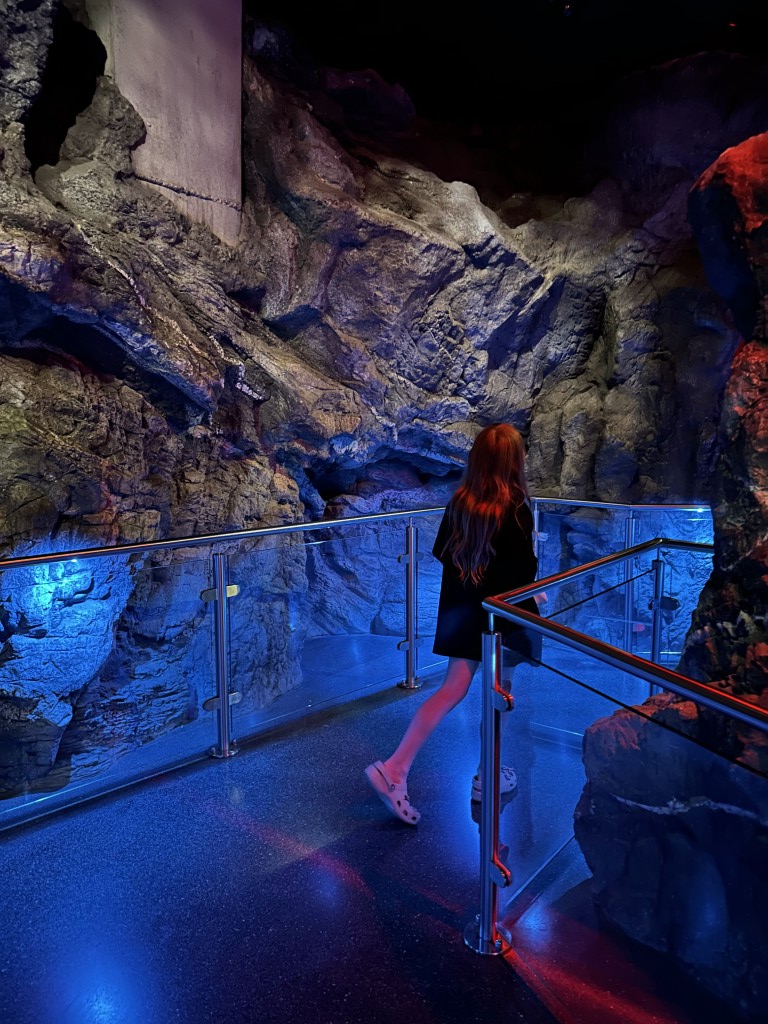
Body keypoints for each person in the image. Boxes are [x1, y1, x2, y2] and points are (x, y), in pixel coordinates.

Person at [364, 422, 540, 825]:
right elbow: (521, 572)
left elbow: (444, 551)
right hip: (501, 618)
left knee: (450, 691)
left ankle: (395, 767)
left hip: (463, 613)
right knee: (499, 695)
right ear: (513, 461)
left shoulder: (461, 501)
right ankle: (487, 774)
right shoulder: (515, 507)